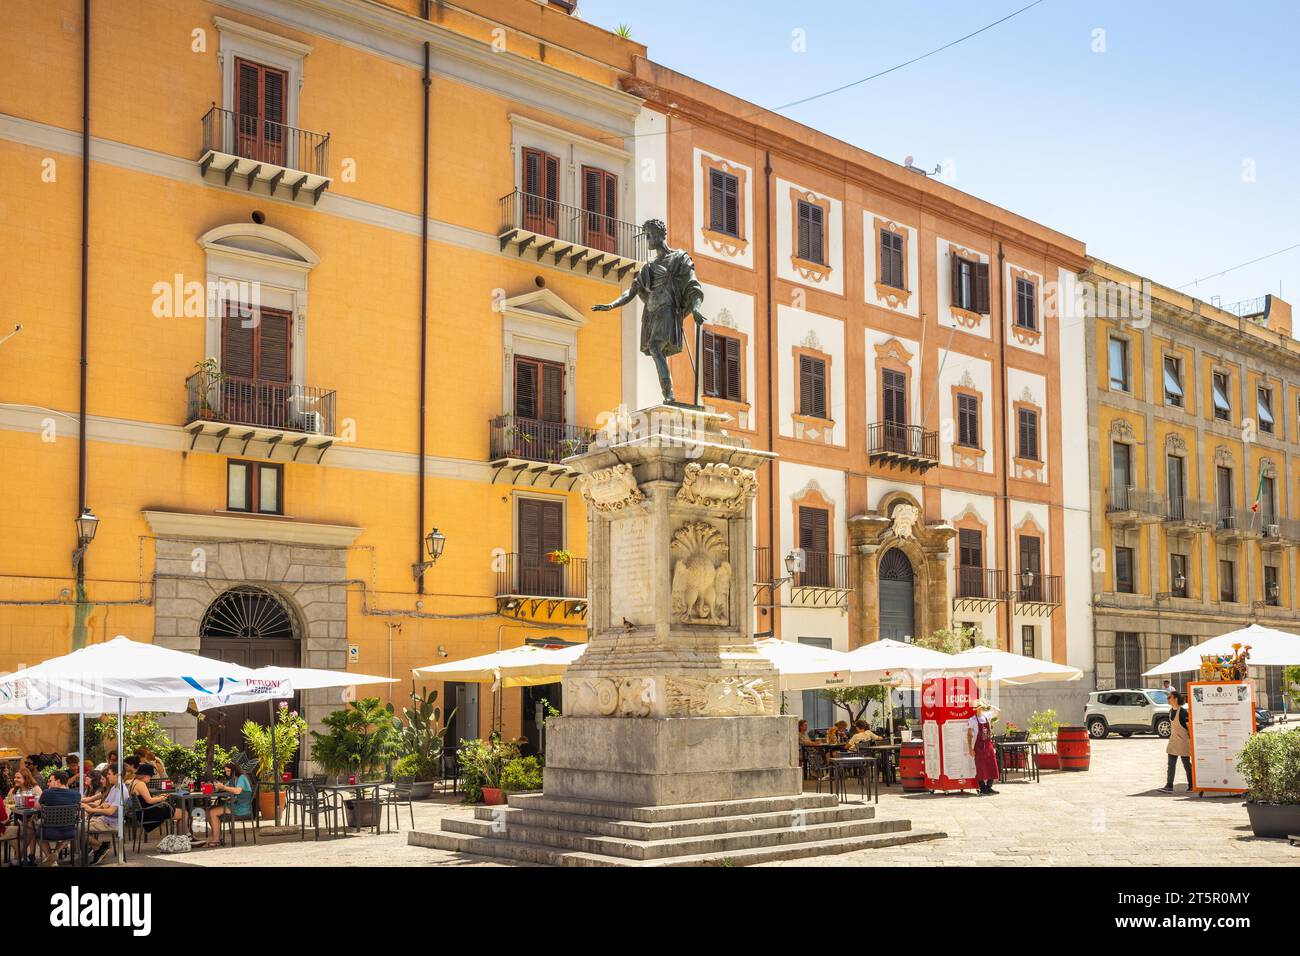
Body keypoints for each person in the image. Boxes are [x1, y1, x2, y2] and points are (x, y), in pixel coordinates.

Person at [202, 761, 254, 848]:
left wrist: (223, 787)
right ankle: (218, 837)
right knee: (208, 810)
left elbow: (237, 790)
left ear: (234, 770)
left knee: (213, 812)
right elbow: (225, 787)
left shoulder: (242, 777)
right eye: (226, 771)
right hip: (235, 805)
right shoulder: (233, 780)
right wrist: (216, 786)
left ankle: (216, 840)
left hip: (242, 808)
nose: (227, 773)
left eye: (228, 771)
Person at [36, 770, 81, 866]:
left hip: (48, 832)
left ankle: (51, 858)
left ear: (58, 781)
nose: (49, 783)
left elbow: (37, 807)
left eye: (51, 780)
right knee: (67, 828)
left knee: (37, 833)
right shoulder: (76, 794)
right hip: (70, 832)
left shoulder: (47, 793)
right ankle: (55, 853)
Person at [83, 765, 125, 865]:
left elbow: (110, 811)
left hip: (111, 822)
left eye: (109, 774)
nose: (107, 777)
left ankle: (100, 847)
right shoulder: (115, 788)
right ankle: (98, 848)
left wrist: (91, 809)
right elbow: (104, 805)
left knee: (77, 829)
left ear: (117, 775)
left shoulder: (119, 790)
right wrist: (94, 808)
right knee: (76, 825)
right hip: (105, 819)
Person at [127, 763, 179, 836]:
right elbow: (149, 801)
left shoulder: (133, 782)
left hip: (142, 813)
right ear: (145, 775)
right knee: (183, 813)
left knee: (173, 808)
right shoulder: (141, 784)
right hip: (148, 814)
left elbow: (144, 800)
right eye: (150, 775)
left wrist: (158, 797)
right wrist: (161, 798)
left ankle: (182, 838)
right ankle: (185, 838)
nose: (150, 778)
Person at [1159, 689, 1193, 793]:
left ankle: (1191, 785)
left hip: (1183, 741)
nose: (1167, 699)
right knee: (1171, 764)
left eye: (1169, 697)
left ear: (1176, 699)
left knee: (1186, 764)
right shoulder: (1170, 711)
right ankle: (1169, 786)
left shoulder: (1183, 712)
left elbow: (1189, 728)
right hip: (1173, 741)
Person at [967, 700, 1000, 795]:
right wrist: (970, 748)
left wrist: (989, 704)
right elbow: (969, 735)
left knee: (992, 765)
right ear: (976, 709)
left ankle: (989, 787)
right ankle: (982, 788)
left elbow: (998, 711)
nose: (980, 709)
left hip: (988, 744)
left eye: (981, 707)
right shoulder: (972, 720)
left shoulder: (987, 716)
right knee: (980, 767)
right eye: (979, 708)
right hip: (979, 746)